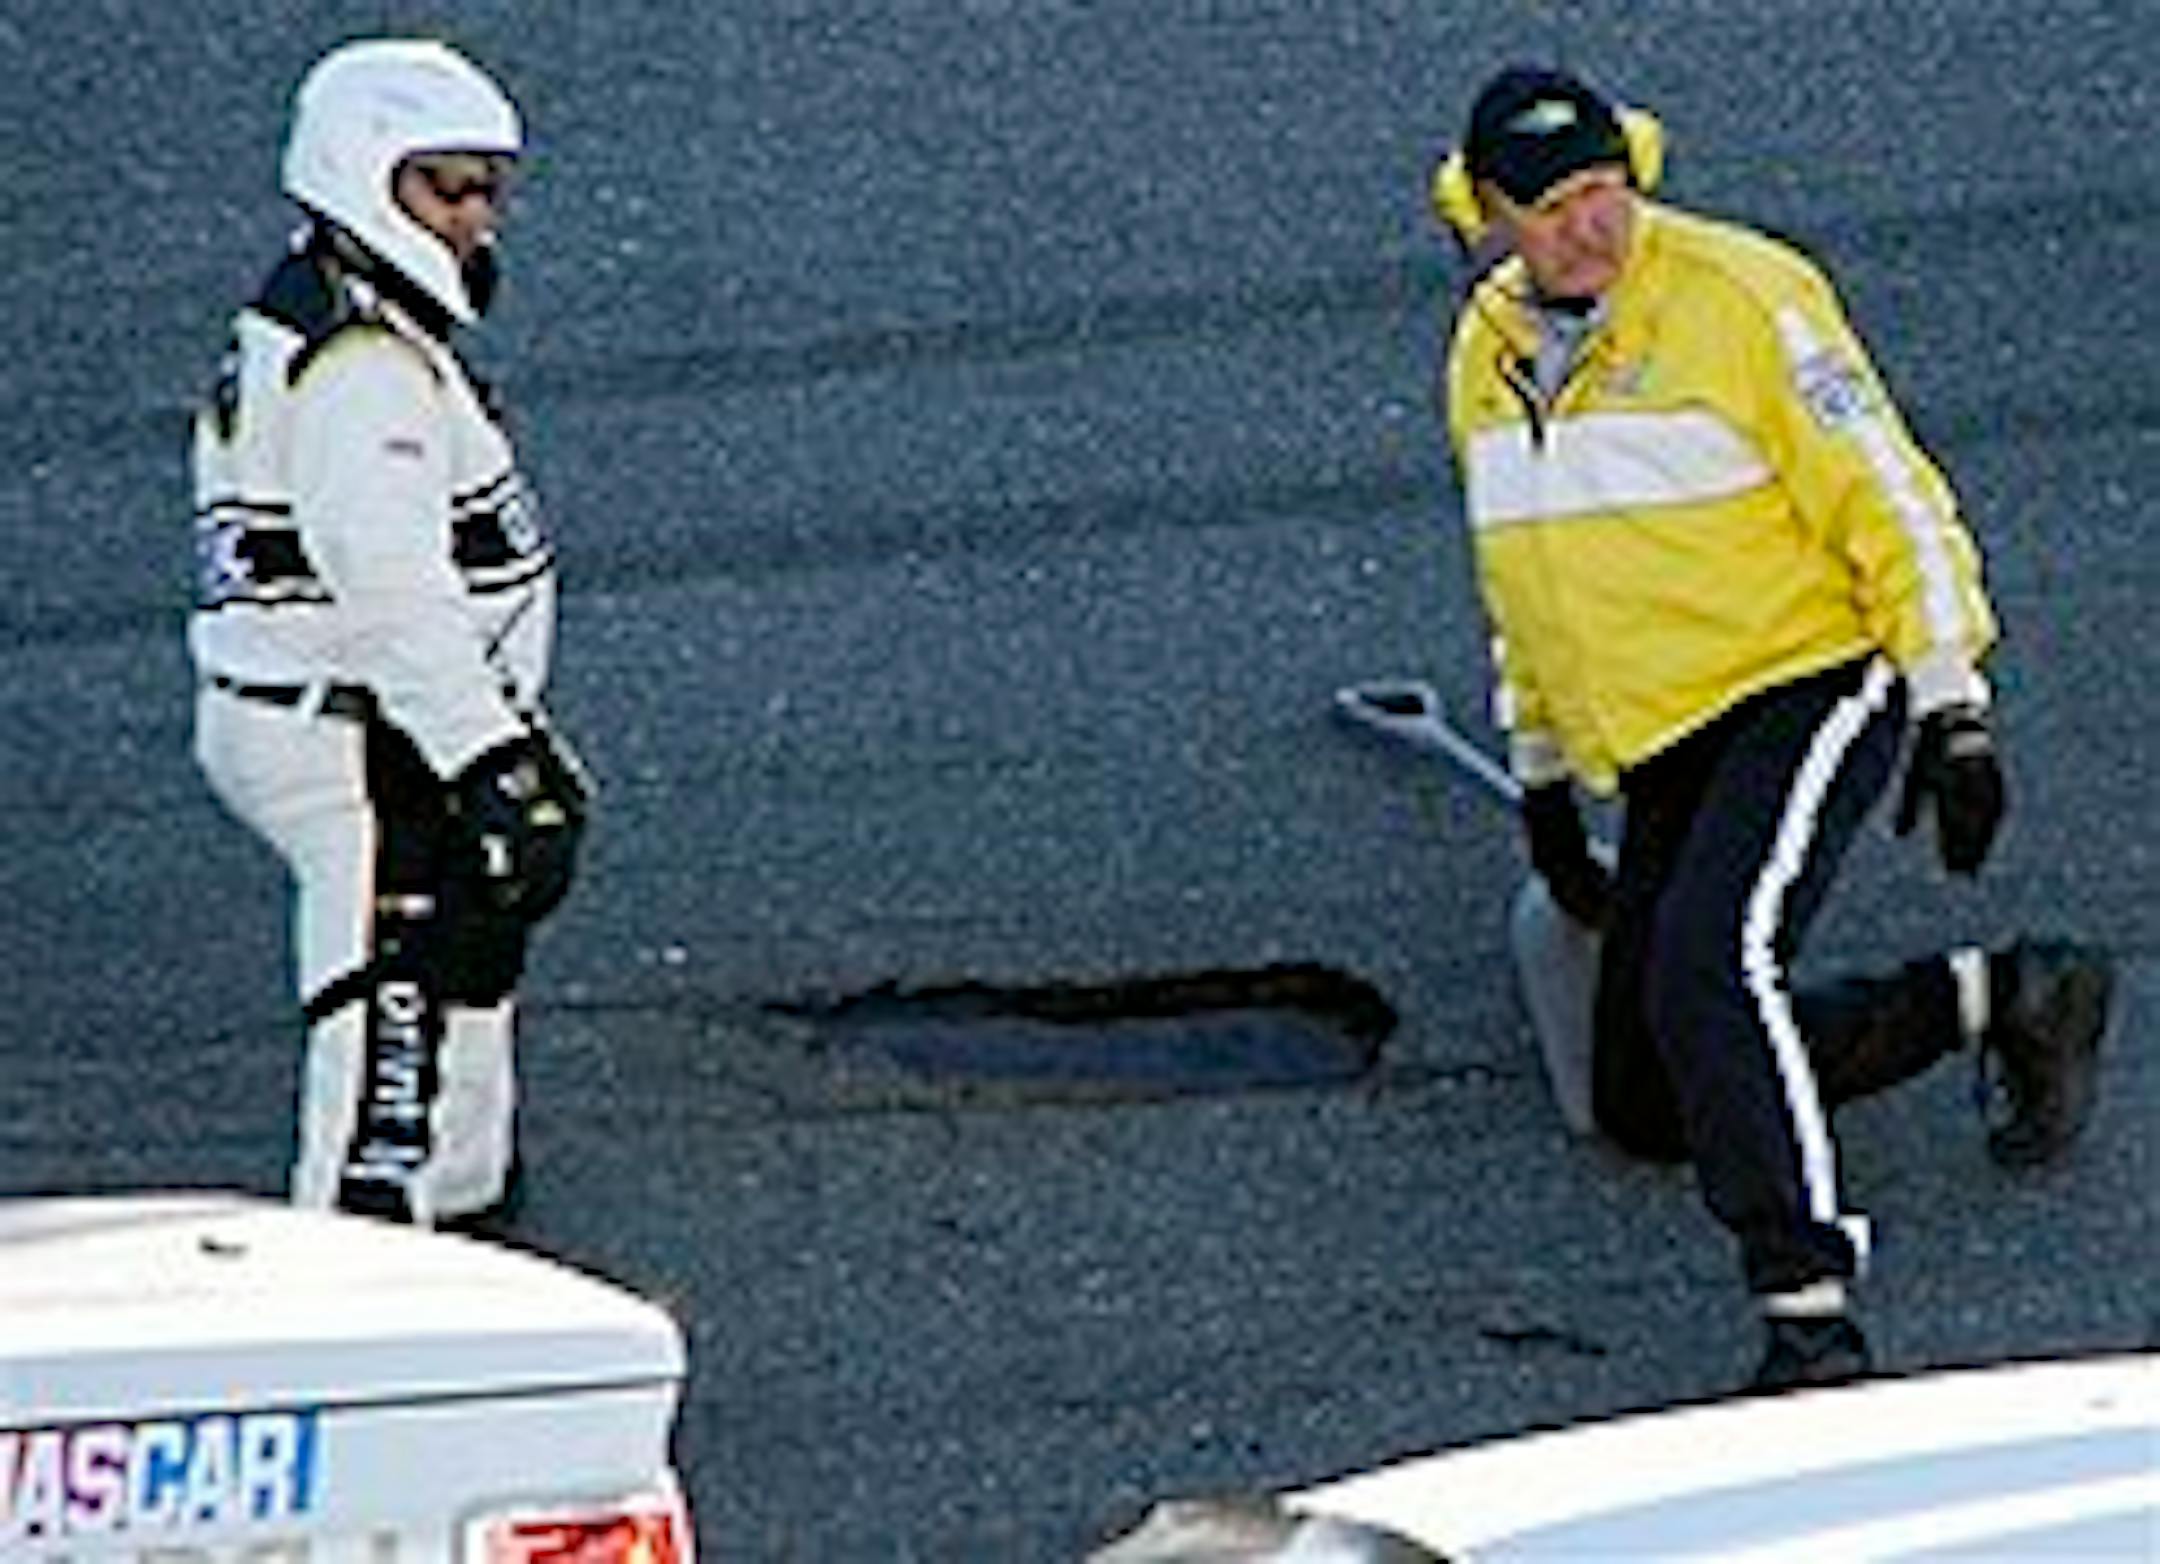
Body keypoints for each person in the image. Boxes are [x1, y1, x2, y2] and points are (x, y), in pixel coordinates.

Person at [1431, 64, 2114, 1389]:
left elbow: (1890, 499)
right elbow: (1522, 576)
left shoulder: (1746, 298)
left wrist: (1951, 705)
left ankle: (1809, 1311)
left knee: (1709, 961)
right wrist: (1542, 776)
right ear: (1487, 216)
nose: (1595, 226)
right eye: (1556, 205)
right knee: (1642, 1099)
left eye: (1609, 188)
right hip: (1664, 727)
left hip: (1812, 668)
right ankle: (2010, 996)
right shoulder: (1485, 352)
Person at [190, 39, 589, 1230]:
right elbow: (389, 588)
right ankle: (362, 1293)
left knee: (468, 971)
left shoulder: (335, 309)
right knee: (385, 1056)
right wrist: (488, 761)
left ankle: (464, 1239)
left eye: (487, 189)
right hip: (366, 744)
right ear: (364, 175)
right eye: (445, 187)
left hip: (384, 728)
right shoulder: (364, 366)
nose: (475, 218)